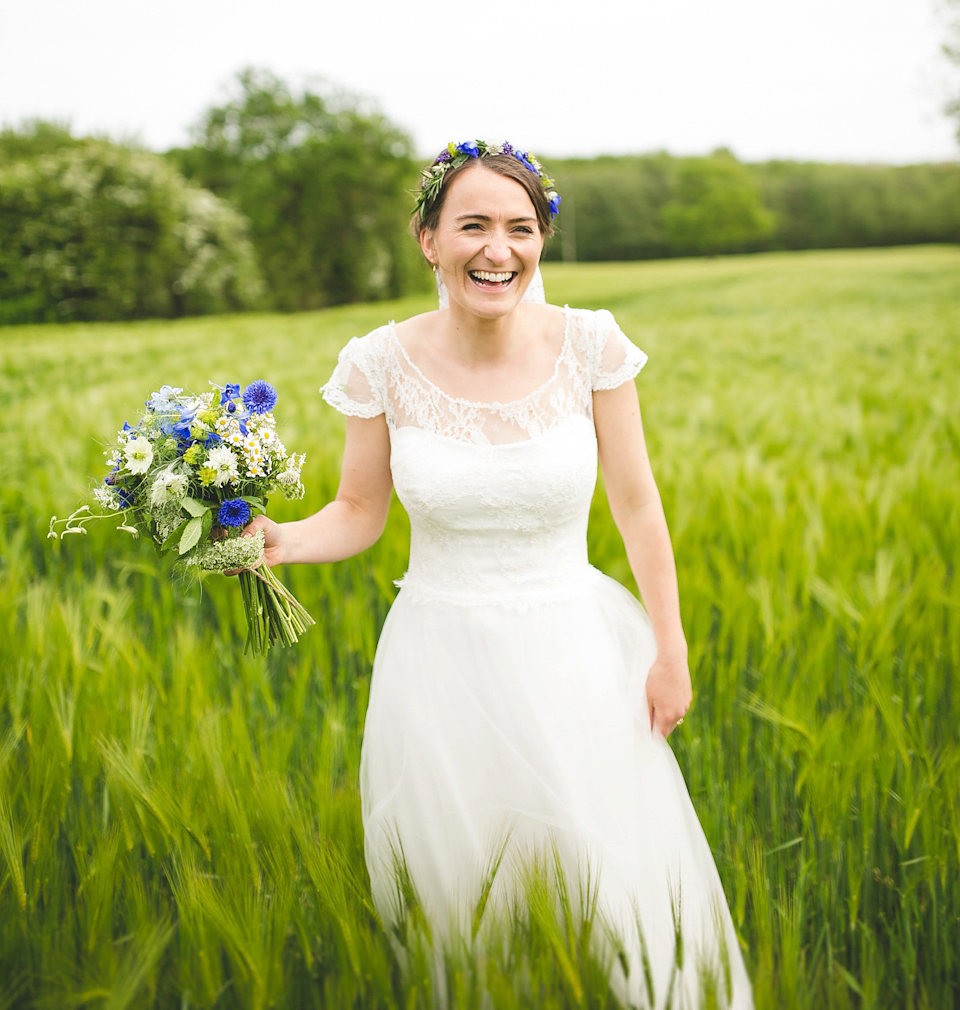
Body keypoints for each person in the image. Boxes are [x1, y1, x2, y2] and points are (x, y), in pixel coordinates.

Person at [244, 140, 753, 1008]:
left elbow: (637, 506)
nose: (498, 248)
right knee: (465, 894)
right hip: (439, 665)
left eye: (521, 228)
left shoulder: (591, 345)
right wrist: (279, 540)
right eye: (473, 225)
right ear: (428, 239)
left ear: (542, 243)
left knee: (612, 884)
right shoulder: (378, 363)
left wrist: (669, 648)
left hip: (577, 660)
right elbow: (359, 513)